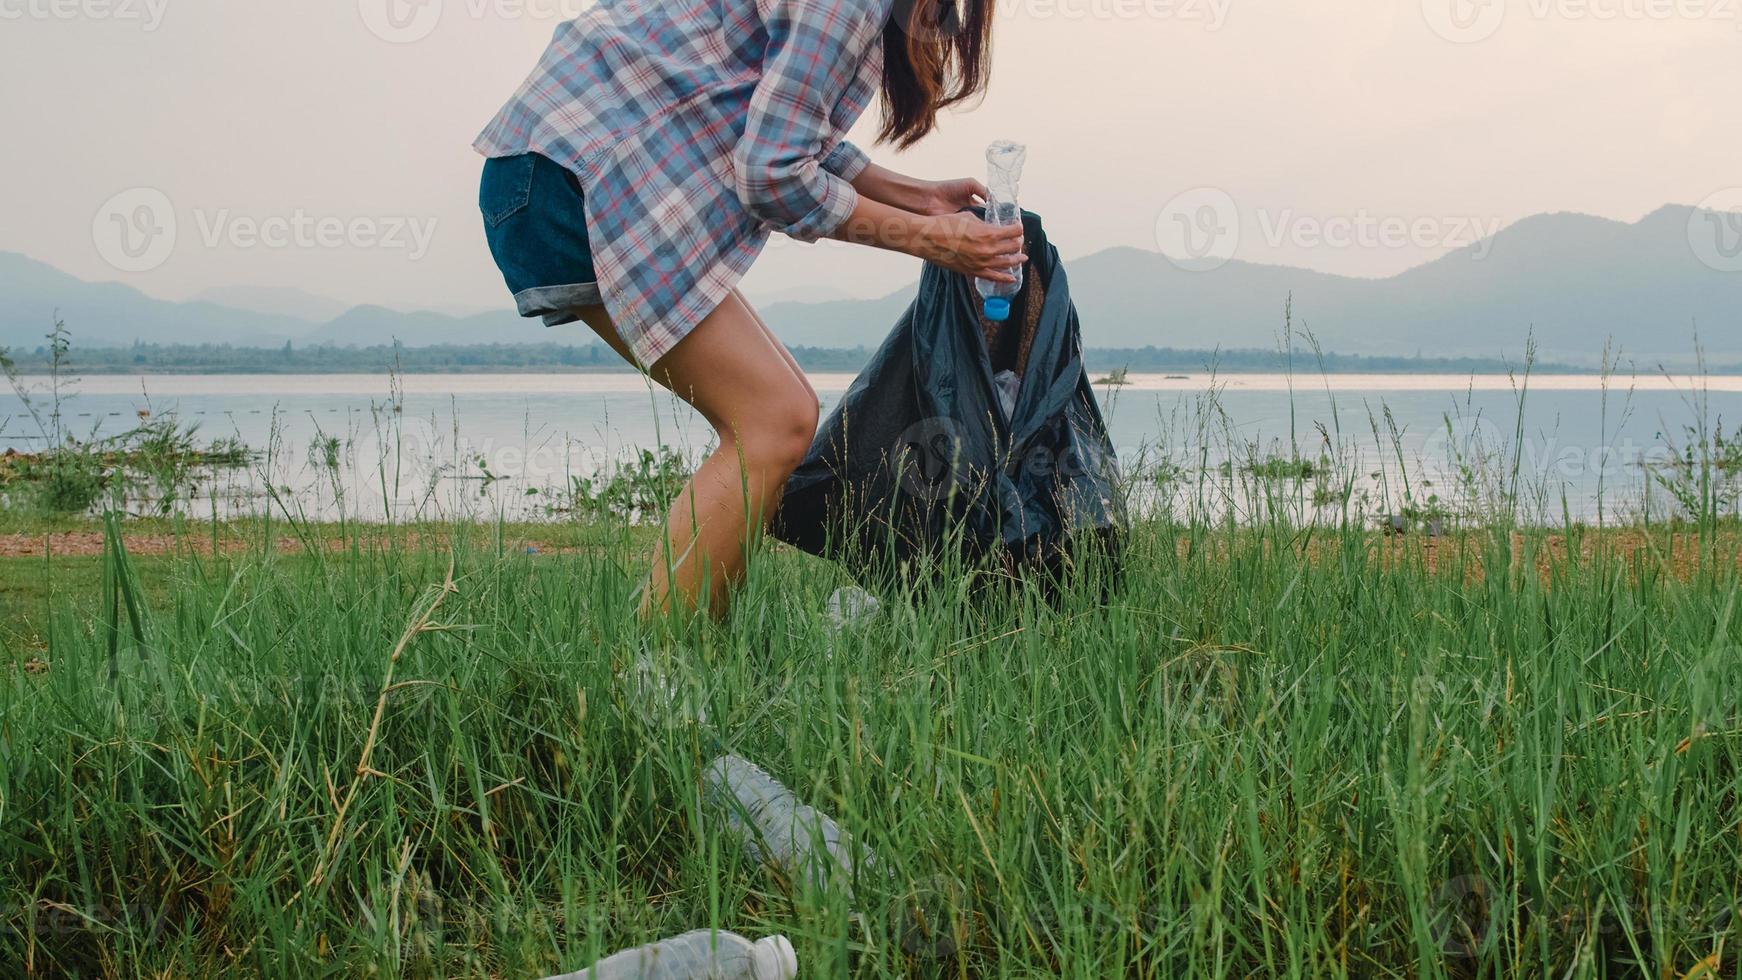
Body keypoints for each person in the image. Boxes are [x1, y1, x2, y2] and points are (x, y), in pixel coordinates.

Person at [475, 0, 1023, 618]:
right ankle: (666, 676)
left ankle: (696, 662)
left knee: (781, 415)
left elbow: (770, 116)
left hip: (554, 166)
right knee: (771, 420)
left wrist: (914, 197)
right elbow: (772, 177)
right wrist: (931, 240)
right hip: (575, 177)